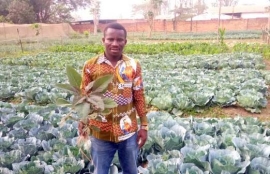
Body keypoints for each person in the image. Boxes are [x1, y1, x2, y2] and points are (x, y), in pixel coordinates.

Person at [79, 22, 148, 174]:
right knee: (100, 171)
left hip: (128, 132)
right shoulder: (90, 66)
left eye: (119, 39)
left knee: (131, 170)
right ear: (103, 40)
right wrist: (83, 121)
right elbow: (85, 98)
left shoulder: (133, 65)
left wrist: (144, 126)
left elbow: (139, 96)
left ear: (125, 41)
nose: (115, 43)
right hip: (100, 132)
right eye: (110, 39)